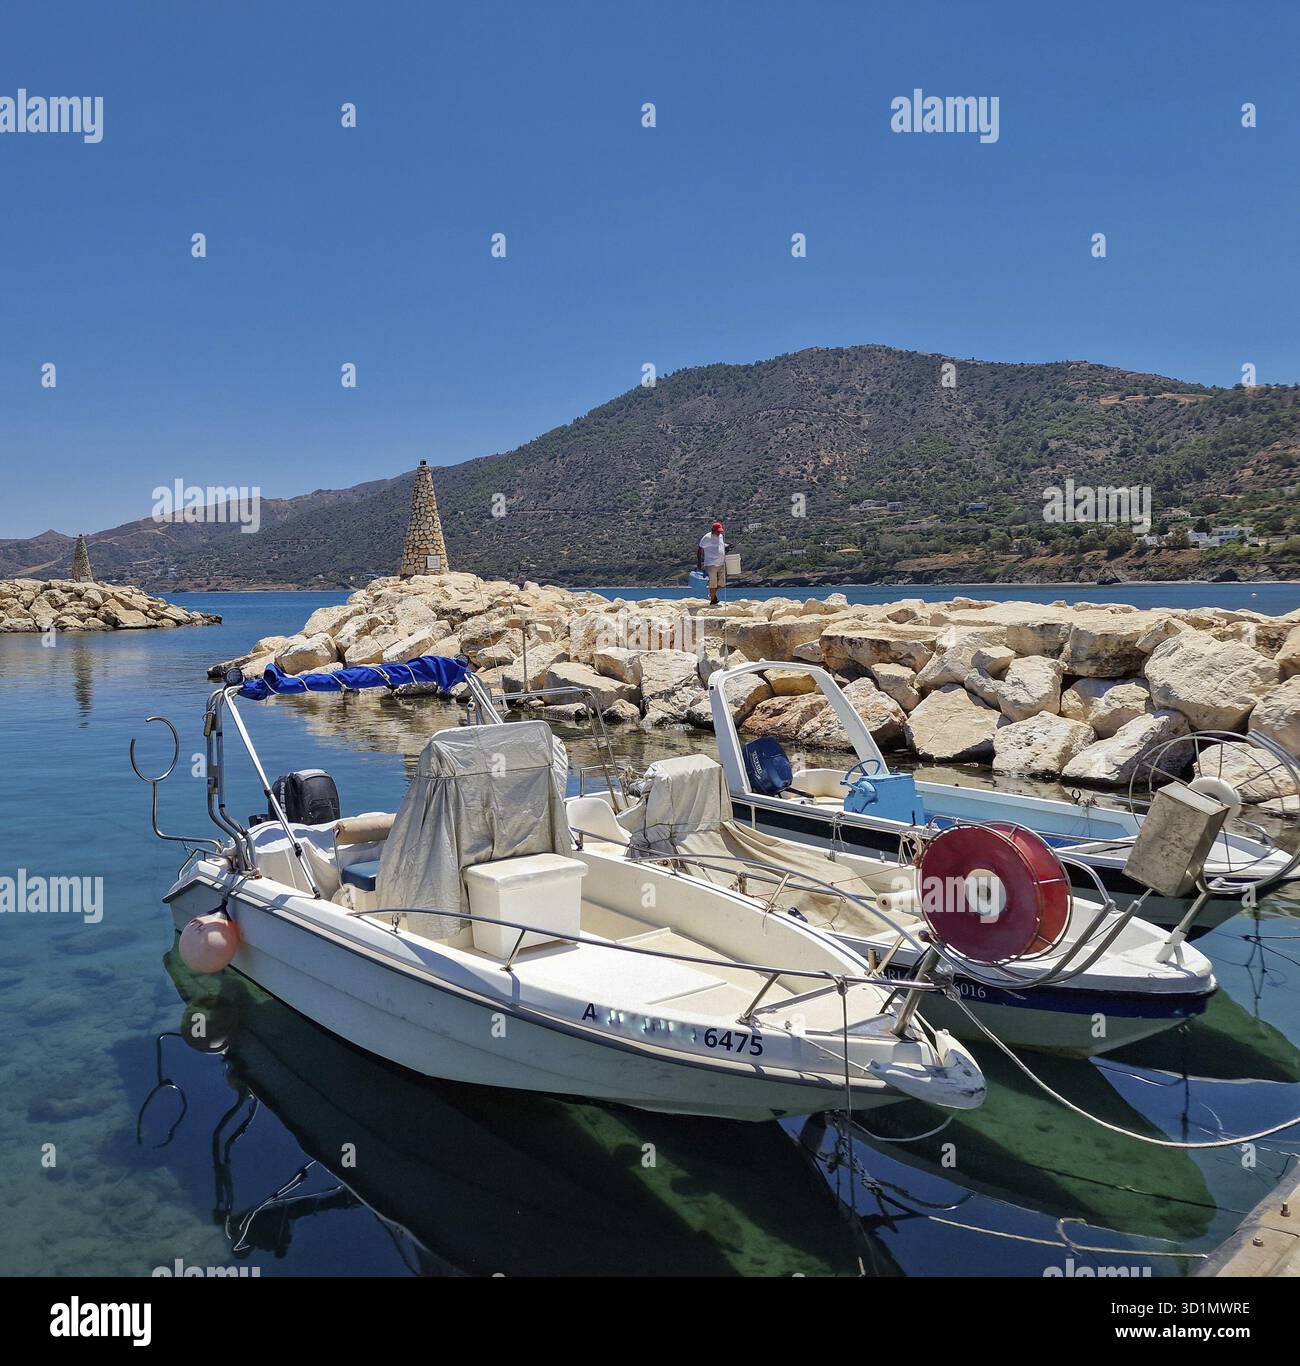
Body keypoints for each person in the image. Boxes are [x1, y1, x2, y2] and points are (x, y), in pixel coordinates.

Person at [697, 520, 728, 605]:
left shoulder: (721, 536)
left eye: (720, 531)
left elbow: (720, 544)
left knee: (722, 583)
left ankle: (711, 594)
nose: (719, 533)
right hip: (711, 563)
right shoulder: (706, 537)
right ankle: (713, 600)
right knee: (713, 583)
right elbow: (699, 549)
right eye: (718, 532)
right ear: (712, 530)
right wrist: (699, 562)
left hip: (721, 563)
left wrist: (727, 546)